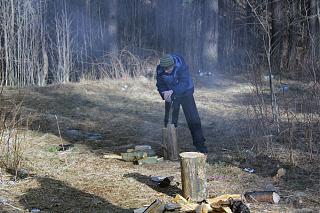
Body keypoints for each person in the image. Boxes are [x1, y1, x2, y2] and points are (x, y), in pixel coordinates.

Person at [156, 53, 208, 153]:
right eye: (164, 69)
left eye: (168, 68)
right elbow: (160, 84)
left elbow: (184, 83)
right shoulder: (160, 69)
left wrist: (173, 91)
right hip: (171, 94)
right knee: (170, 120)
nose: (166, 71)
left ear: (173, 65)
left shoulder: (181, 66)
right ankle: (168, 146)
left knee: (193, 119)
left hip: (186, 92)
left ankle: (200, 145)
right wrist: (163, 94)